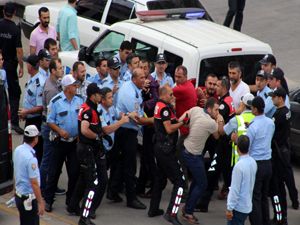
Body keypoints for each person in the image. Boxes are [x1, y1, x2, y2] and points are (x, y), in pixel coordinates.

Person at [109, 68, 152, 209]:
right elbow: (137, 118)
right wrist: (152, 120)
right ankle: (131, 199)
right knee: (129, 166)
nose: (144, 80)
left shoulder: (131, 87)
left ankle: (112, 191)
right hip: (127, 132)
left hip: (125, 130)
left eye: (144, 77)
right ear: (134, 79)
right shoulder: (129, 93)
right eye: (141, 78)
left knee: (120, 163)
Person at [149, 84, 187, 225]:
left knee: (160, 179)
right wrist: (183, 122)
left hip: (160, 148)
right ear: (163, 95)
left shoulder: (161, 105)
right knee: (180, 182)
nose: (173, 97)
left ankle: (153, 209)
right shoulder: (164, 108)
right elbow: (169, 128)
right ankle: (171, 213)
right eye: (170, 94)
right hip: (166, 150)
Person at [180, 98, 223, 224]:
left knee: (197, 182)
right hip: (193, 155)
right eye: (216, 110)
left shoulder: (195, 109)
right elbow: (217, 135)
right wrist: (219, 120)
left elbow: (183, 118)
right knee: (203, 184)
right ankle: (188, 212)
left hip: (187, 149)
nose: (217, 112)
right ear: (209, 109)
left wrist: (189, 125)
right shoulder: (210, 122)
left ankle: (187, 208)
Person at [44, 74, 83, 212]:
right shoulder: (56, 101)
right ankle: (48, 200)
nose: (76, 87)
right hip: (59, 142)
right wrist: (60, 131)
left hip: (73, 143)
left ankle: (71, 202)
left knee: (74, 173)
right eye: (73, 85)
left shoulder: (79, 100)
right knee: (54, 172)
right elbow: (50, 121)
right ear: (67, 88)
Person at [69, 83, 105, 225]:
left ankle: (72, 205)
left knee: (84, 179)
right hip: (87, 150)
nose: (101, 96)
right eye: (99, 94)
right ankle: (84, 218)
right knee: (93, 185)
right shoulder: (88, 110)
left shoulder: (90, 108)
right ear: (93, 95)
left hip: (87, 149)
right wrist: (96, 137)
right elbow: (84, 130)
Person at [269, 88, 299, 224]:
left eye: (274, 97)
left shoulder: (279, 115)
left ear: (280, 98)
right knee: (282, 186)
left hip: (277, 155)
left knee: (276, 189)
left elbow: (271, 134)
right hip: (284, 153)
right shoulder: (287, 111)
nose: (272, 99)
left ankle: (279, 217)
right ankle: (283, 217)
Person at [244, 96, 275, 225]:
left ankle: (256, 222)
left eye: (252, 107)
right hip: (268, 164)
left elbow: (247, 146)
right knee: (263, 196)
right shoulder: (270, 122)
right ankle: (265, 221)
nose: (251, 108)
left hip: (256, 164)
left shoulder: (252, 127)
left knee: (255, 197)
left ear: (256, 109)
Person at [40, 58, 64, 195]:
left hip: (51, 125)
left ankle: (51, 185)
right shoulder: (51, 90)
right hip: (50, 127)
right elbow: (52, 113)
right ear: (53, 70)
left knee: (53, 159)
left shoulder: (56, 83)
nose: (61, 70)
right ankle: (43, 188)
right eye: (59, 68)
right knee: (48, 159)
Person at [136, 58, 159, 197]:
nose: (143, 70)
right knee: (145, 156)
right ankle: (140, 186)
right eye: (141, 67)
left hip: (150, 124)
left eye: (145, 67)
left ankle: (155, 185)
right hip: (142, 123)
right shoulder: (141, 83)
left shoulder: (153, 83)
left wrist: (143, 105)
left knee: (148, 156)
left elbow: (155, 100)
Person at [0, 2, 24, 134]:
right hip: (10, 65)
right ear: (14, 13)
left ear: (4, 11)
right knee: (15, 93)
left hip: (1, 62)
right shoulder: (15, 29)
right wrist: (21, 66)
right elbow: (19, 51)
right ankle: (14, 122)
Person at [14, 125, 45, 225]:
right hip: (28, 199)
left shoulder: (18, 149)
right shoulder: (31, 158)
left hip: (19, 195)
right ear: (35, 139)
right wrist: (40, 202)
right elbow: (34, 183)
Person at [19, 54, 46, 164]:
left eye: (27, 64)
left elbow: (40, 107)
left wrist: (27, 112)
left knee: (34, 151)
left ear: (30, 66)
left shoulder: (39, 83)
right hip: (29, 119)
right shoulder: (32, 78)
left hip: (36, 122)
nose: (26, 65)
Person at [226, 135, 257, 225]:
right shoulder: (253, 162)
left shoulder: (239, 166)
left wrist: (229, 208)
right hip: (247, 205)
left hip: (238, 207)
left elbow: (235, 190)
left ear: (237, 147)